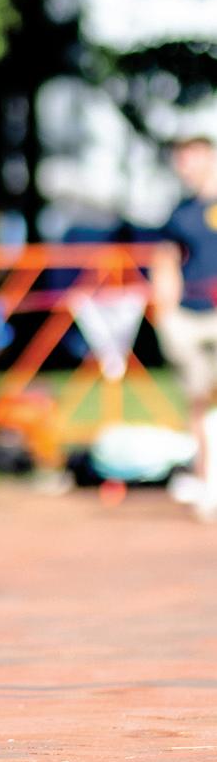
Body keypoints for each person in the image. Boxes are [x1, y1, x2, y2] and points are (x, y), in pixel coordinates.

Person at [150, 134, 217, 516]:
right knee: (198, 400)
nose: (184, 166)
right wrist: (166, 315)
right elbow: (166, 262)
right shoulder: (180, 214)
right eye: (180, 159)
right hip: (190, 317)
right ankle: (207, 481)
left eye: (191, 157)